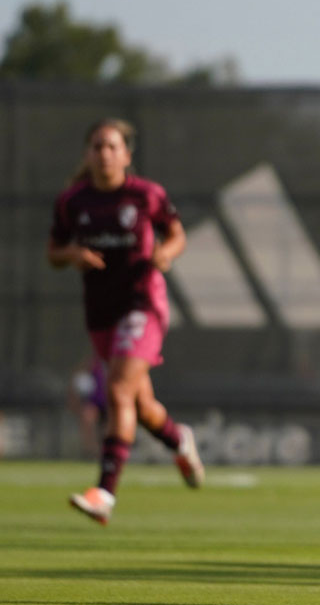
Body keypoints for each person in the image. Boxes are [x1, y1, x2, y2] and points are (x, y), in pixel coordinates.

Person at [48, 118, 204, 525]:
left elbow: (177, 234)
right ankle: (178, 439)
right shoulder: (72, 202)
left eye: (112, 146)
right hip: (101, 312)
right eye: (97, 146)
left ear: (126, 155)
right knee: (142, 405)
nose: (104, 153)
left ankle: (104, 493)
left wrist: (167, 253)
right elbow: (53, 249)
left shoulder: (145, 195)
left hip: (143, 305)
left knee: (117, 389)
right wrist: (71, 255)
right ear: (87, 154)